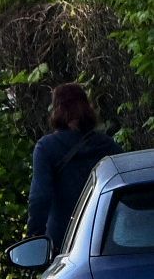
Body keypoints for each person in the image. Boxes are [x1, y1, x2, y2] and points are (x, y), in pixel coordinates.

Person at [28, 82, 118, 247]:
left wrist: (34, 238)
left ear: (57, 110)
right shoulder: (107, 145)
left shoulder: (46, 147)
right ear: (87, 108)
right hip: (106, 237)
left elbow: (40, 197)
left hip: (64, 239)